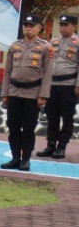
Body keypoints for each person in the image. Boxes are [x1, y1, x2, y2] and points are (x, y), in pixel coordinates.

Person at [0, 14, 54, 172]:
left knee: (28, 128)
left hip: (33, 93)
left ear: (39, 28)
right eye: (26, 25)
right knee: (13, 126)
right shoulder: (15, 46)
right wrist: (5, 93)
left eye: (32, 25)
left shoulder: (45, 47)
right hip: (15, 91)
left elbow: (48, 73)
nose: (28, 28)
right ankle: (15, 157)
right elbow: (8, 71)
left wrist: (43, 95)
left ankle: (25, 159)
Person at [36, 13, 77, 159]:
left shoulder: (77, 43)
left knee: (67, 117)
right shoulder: (53, 42)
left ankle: (62, 146)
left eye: (66, 25)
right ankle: (51, 144)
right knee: (52, 116)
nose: (63, 27)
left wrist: (77, 85)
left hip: (68, 85)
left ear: (74, 26)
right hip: (52, 84)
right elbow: (45, 64)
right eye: (62, 25)